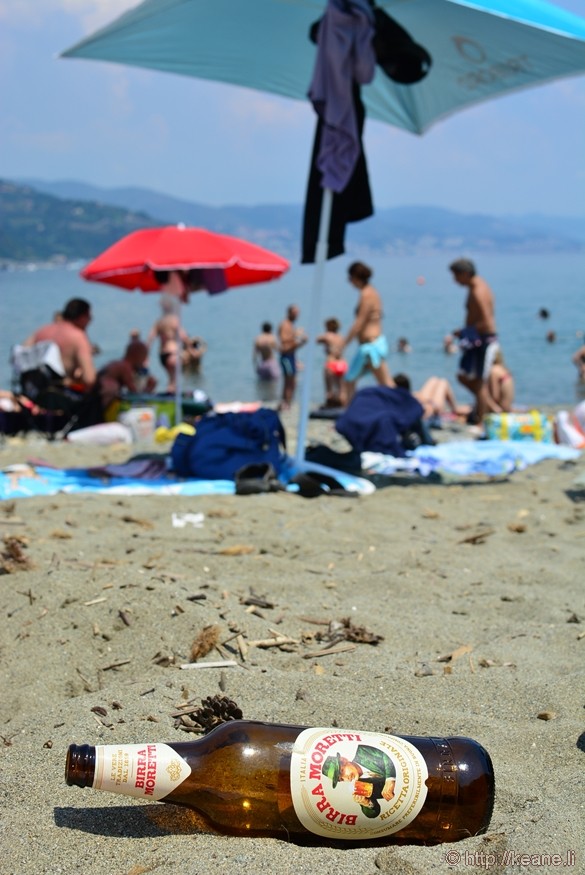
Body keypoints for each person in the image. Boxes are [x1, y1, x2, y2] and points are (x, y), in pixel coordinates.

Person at [449, 258, 498, 425]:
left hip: (483, 340)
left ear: (465, 274)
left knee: (479, 383)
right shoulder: (477, 286)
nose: (454, 281)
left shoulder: (478, 290)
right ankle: (486, 409)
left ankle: (481, 420)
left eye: (456, 276)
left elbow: (487, 321)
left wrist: (464, 331)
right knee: (466, 377)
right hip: (478, 339)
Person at [338, 261, 394, 403]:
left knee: (350, 381)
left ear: (356, 277)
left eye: (350, 278)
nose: (349, 281)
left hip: (370, 347)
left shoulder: (367, 294)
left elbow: (359, 323)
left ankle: (351, 418)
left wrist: (343, 344)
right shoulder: (372, 292)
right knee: (384, 384)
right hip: (372, 345)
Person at [24, 298, 96, 391]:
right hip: (59, 395)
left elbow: (21, 355)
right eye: (89, 317)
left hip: (33, 392)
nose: (90, 321)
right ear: (82, 317)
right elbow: (90, 379)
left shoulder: (42, 331)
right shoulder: (78, 337)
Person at [147, 272, 198, 393]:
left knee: (170, 379)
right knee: (174, 381)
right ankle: (173, 404)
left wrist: (146, 357)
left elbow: (150, 339)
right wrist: (192, 350)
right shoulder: (174, 320)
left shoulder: (159, 322)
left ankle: (170, 400)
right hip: (173, 353)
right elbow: (184, 337)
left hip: (162, 356)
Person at [321, 746, 396, 819]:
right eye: (341, 779)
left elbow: (388, 753)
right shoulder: (360, 787)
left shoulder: (362, 751)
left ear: (344, 760)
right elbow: (373, 813)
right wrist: (366, 803)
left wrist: (390, 779)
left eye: (342, 771)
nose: (347, 778)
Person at [98, 340, 157, 413]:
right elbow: (135, 395)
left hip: (98, 400)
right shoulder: (125, 368)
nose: (143, 362)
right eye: (143, 357)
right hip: (100, 404)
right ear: (136, 355)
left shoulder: (119, 364)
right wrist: (149, 388)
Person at [394, 373, 470, 421]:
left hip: (420, 401)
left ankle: (455, 408)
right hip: (432, 406)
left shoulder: (395, 401)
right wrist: (428, 403)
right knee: (443, 382)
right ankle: (455, 409)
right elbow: (427, 413)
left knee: (433, 379)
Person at [278, 305, 307, 410]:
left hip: (291, 355)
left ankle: (288, 402)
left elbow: (292, 344)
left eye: (297, 313)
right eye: (295, 313)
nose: (297, 315)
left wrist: (302, 342)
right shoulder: (285, 324)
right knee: (289, 380)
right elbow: (284, 341)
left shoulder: (291, 325)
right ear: (289, 313)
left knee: (293, 381)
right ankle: (285, 402)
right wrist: (296, 335)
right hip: (286, 356)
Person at [316, 317, 348, 408]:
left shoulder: (327, 335)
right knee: (342, 389)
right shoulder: (341, 337)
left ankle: (329, 404)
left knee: (329, 388)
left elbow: (316, 340)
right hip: (342, 363)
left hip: (331, 363)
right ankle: (343, 405)